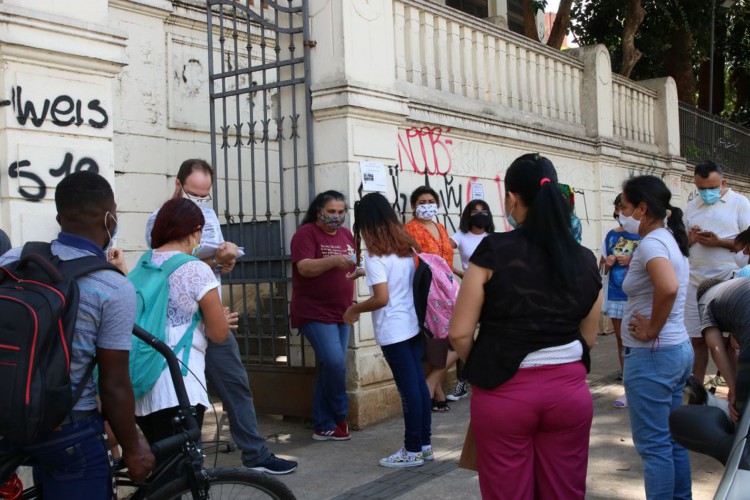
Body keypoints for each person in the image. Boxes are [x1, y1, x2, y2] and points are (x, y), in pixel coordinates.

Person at [449, 153, 602, 499]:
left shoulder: (492, 250)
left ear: (511, 199)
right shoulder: (584, 259)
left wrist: (486, 364)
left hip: (504, 395)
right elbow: (589, 337)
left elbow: (459, 332)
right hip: (569, 394)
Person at [0, 171, 154, 497]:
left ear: (60, 218)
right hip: (68, 427)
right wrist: (133, 447)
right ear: (110, 219)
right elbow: (113, 384)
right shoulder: (113, 286)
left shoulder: (15, 259)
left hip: (7, 412)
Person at [146, 159, 297, 474]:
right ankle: (187, 468)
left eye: (205, 195)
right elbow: (170, 259)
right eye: (193, 194)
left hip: (211, 310)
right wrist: (215, 258)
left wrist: (225, 261)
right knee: (182, 399)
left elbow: (213, 267)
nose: (199, 201)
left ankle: (255, 454)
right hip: (180, 324)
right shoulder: (160, 219)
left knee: (235, 384)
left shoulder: (210, 217)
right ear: (178, 184)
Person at [136, 198, 237, 444]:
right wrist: (221, 320)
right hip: (179, 382)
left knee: (160, 459)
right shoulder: (196, 269)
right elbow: (218, 334)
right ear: (196, 232)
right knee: (182, 463)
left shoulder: (145, 262)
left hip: (143, 377)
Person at [343, 193, 432, 468]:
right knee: (418, 386)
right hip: (413, 325)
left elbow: (382, 298)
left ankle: (412, 450)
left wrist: (354, 309)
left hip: (394, 331)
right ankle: (424, 445)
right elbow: (398, 278)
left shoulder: (375, 255)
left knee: (408, 390)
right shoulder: (406, 247)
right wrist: (363, 273)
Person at [619, 175, 693, 499]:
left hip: (654, 355)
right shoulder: (668, 238)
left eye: (624, 207)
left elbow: (668, 287)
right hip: (673, 352)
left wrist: (652, 328)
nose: (621, 214)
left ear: (642, 208)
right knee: (672, 442)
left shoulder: (652, 244)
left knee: (655, 447)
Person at [291, 190, 358, 441]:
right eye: (331, 211)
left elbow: (351, 269)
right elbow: (304, 267)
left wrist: (354, 303)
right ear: (319, 211)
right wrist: (333, 261)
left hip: (342, 311)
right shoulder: (305, 234)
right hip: (315, 312)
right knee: (334, 362)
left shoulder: (347, 235)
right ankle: (340, 415)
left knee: (328, 367)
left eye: (341, 212)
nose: (336, 216)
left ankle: (323, 424)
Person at [685, 160, 750, 384]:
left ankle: (736, 389)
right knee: (697, 340)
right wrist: (691, 239)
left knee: (729, 344)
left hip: (728, 284)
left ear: (723, 182)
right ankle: (696, 390)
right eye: (701, 188)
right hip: (695, 283)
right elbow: (682, 245)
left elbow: (747, 243)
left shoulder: (740, 203)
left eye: (711, 188)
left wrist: (719, 242)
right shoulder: (692, 206)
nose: (706, 193)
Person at [404, 186, 455, 412]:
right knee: (432, 340)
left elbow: (446, 260)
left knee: (453, 339)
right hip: (427, 290)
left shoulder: (440, 227)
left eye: (431, 201)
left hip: (448, 290)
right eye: (422, 202)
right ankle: (436, 391)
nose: (427, 205)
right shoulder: (410, 229)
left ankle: (433, 386)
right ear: (413, 206)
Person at [446, 200, 494, 402]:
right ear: (468, 214)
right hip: (470, 292)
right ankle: (462, 384)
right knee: (464, 335)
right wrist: (459, 273)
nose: (480, 215)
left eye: (484, 211)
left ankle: (487, 378)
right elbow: (442, 254)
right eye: (475, 211)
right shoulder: (460, 236)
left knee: (489, 336)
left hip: (492, 292)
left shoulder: (492, 238)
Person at [600, 193, 640, 408]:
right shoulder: (610, 236)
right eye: (619, 207)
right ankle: (628, 387)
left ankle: (642, 385)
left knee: (641, 341)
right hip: (616, 296)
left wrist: (631, 260)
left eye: (624, 207)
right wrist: (608, 263)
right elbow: (600, 268)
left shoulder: (646, 235)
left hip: (639, 298)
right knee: (622, 340)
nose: (621, 212)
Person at [696, 276, 750, 423]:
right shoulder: (734, 290)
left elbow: (716, 347)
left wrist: (735, 391)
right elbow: (734, 346)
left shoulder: (705, 300)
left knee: (741, 408)